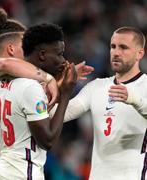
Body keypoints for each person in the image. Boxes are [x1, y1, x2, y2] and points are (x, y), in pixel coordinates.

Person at [0, 8, 61, 180]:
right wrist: (48, 78)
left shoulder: (10, 83)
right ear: (11, 49)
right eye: (25, 47)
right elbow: (4, 65)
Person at [51, 26, 147, 180]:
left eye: (123, 47)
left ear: (139, 54)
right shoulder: (97, 87)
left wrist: (134, 99)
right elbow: (57, 115)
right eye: (113, 46)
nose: (116, 52)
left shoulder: (145, 86)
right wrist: (56, 86)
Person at [0, 23, 77, 180]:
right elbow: (48, 141)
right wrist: (65, 94)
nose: (63, 60)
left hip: (3, 169)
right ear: (43, 55)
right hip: (22, 172)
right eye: (59, 54)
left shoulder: (6, 80)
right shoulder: (31, 88)